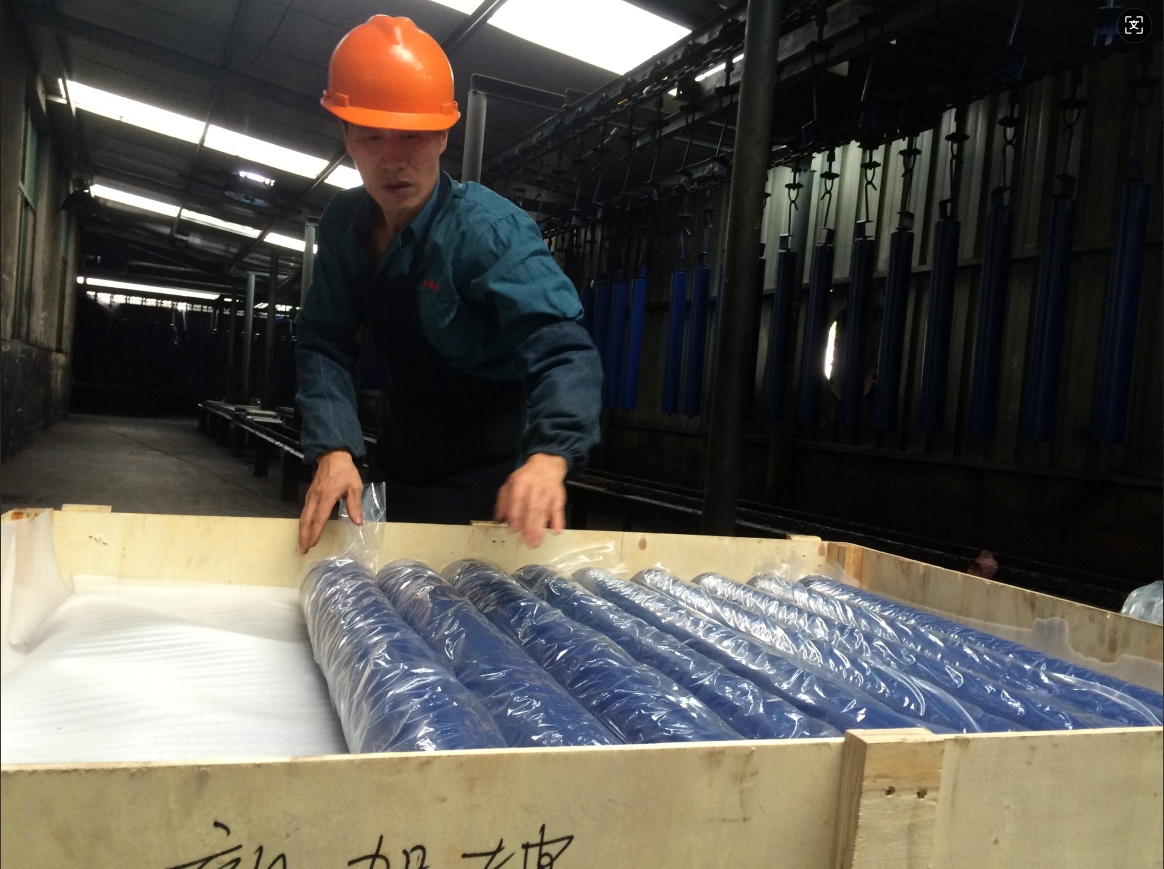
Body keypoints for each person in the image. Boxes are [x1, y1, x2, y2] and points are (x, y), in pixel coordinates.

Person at [295, 15, 602, 554]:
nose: (392, 160)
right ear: (346, 135)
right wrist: (334, 449)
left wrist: (549, 457)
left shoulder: (489, 232)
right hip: (402, 451)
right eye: (371, 136)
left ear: (442, 134)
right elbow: (324, 340)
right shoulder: (343, 225)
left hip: (494, 471)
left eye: (412, 137)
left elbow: (563, 350)